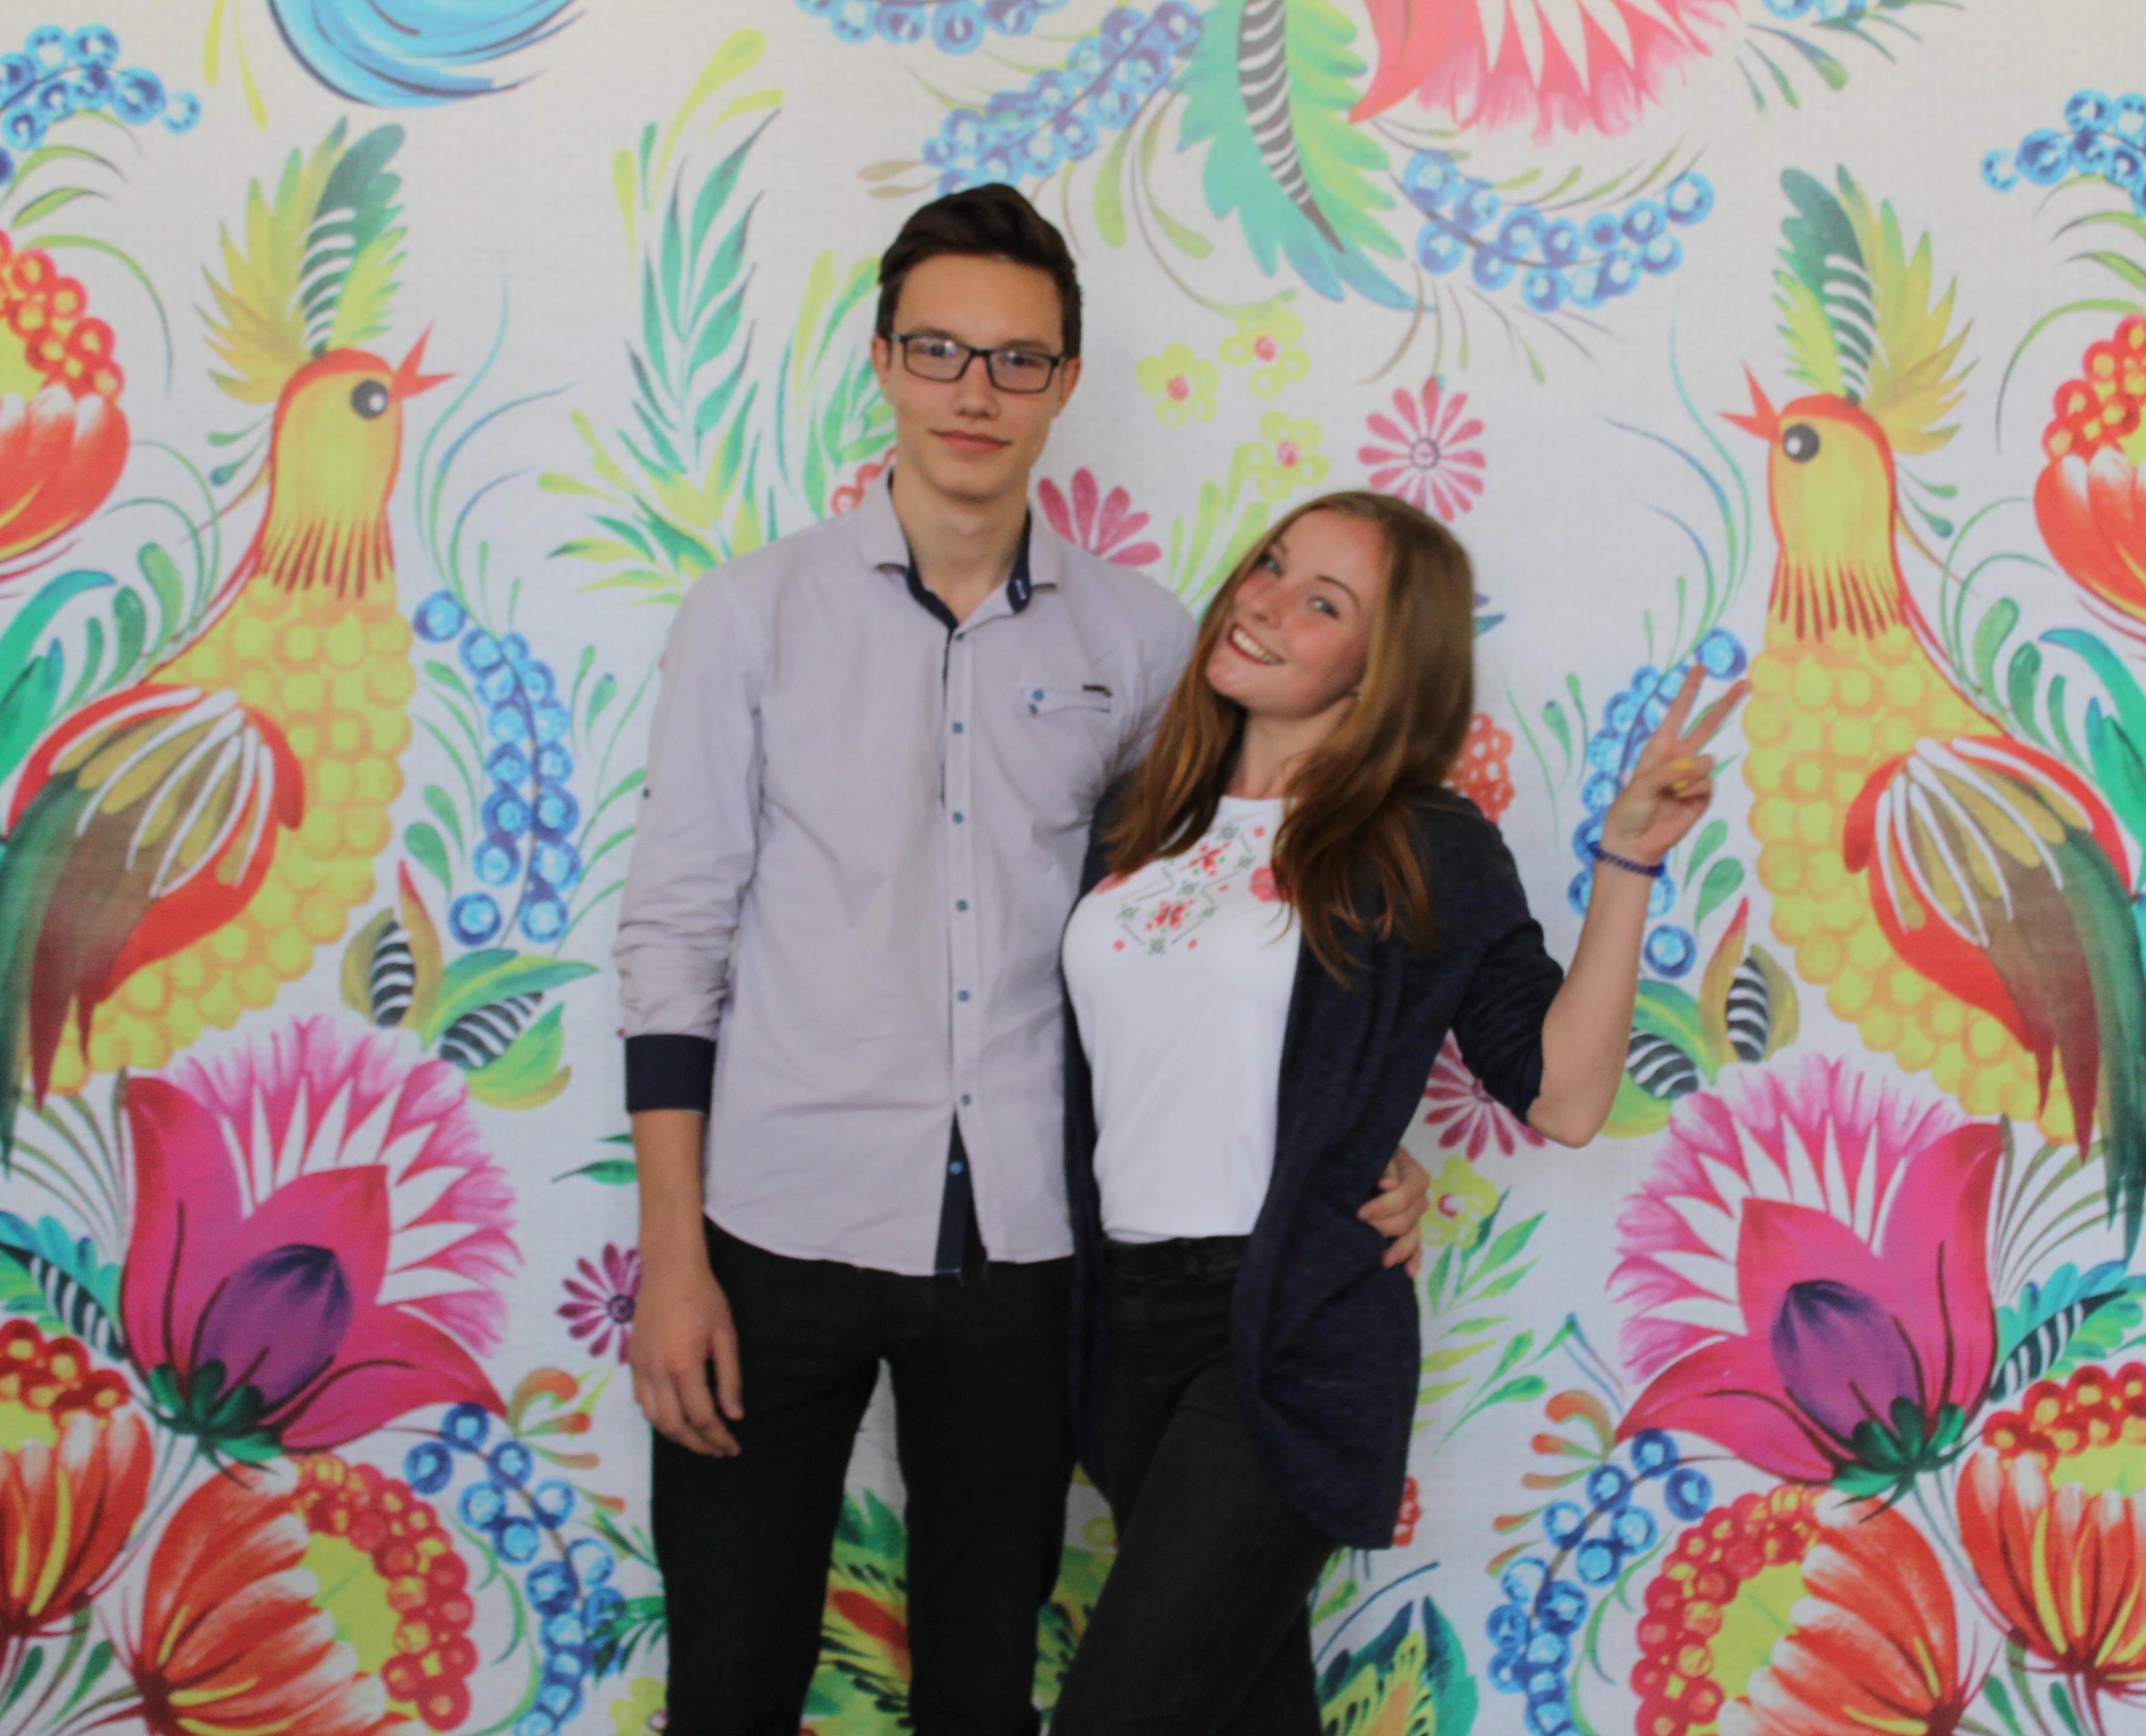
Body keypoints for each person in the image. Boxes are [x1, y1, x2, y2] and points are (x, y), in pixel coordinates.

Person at [612, 187, 1430, 1736]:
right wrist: (673, 1257)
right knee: (729, 1679)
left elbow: (1226, 922)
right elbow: (675, 934)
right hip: (772, 1228)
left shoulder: (1144, 640)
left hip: (1031, 1258)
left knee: (986, 1684)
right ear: (883, 361)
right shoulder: (752, 616)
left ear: (1065, 383)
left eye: (1016, 360)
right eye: (940, 350)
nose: (974, 392)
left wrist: (1361, 1142)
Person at [1051, 491, 1747, 1732]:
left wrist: (1629, 863)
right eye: (1272, 566)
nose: (1266, 603)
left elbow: (1563, 1094)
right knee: (1242, 1708)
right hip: (1122, 1323)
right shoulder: (1138, 812)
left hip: (1287, 1330)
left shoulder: (1422, 842)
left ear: (1381, 669)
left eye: (1323, 603)